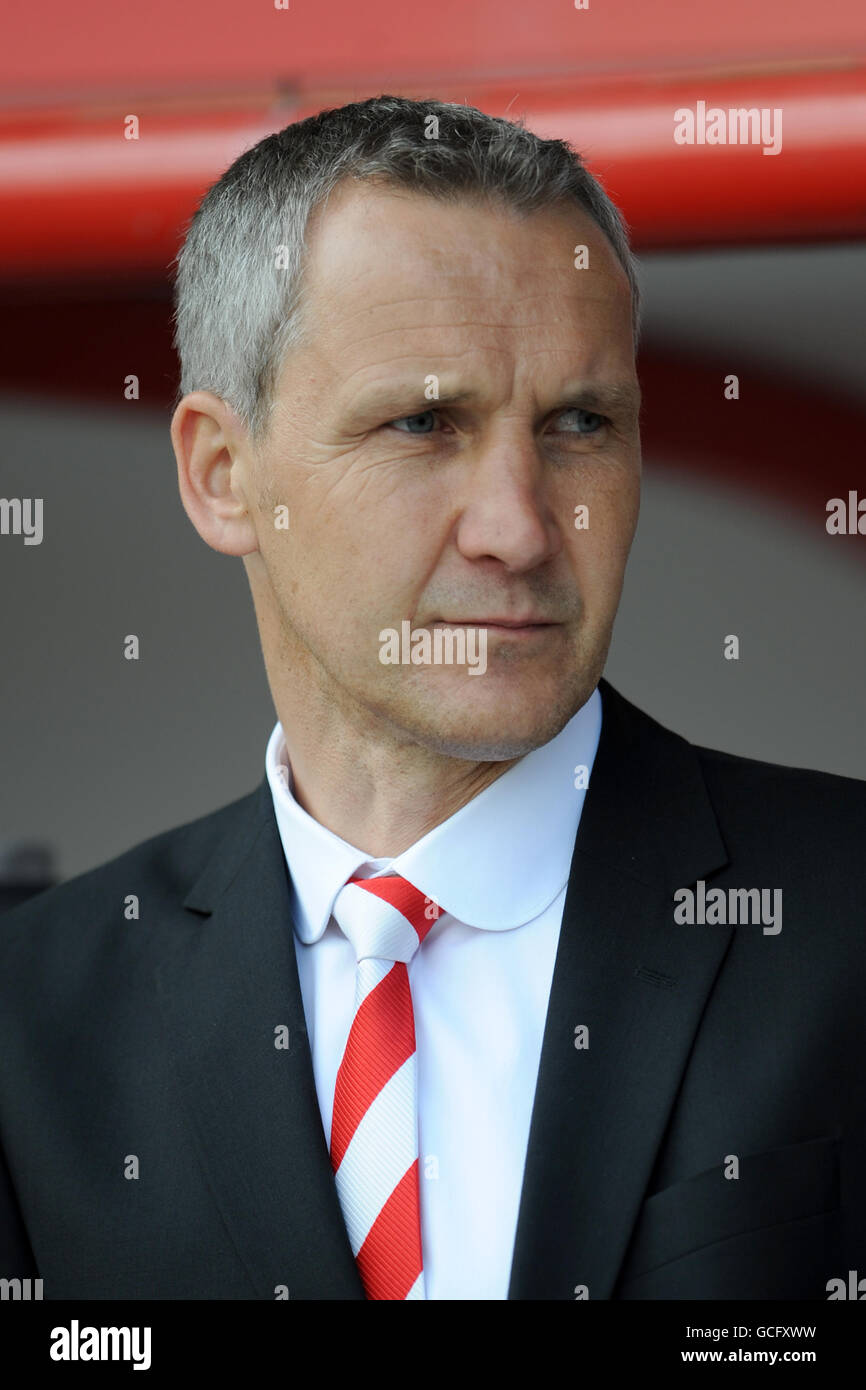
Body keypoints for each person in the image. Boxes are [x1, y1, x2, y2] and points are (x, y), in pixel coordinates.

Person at [1, 95, 864, 1302]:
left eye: (578, 422)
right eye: (421, 421)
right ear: (223, 474)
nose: (519, 526)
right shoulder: (30, 1015)